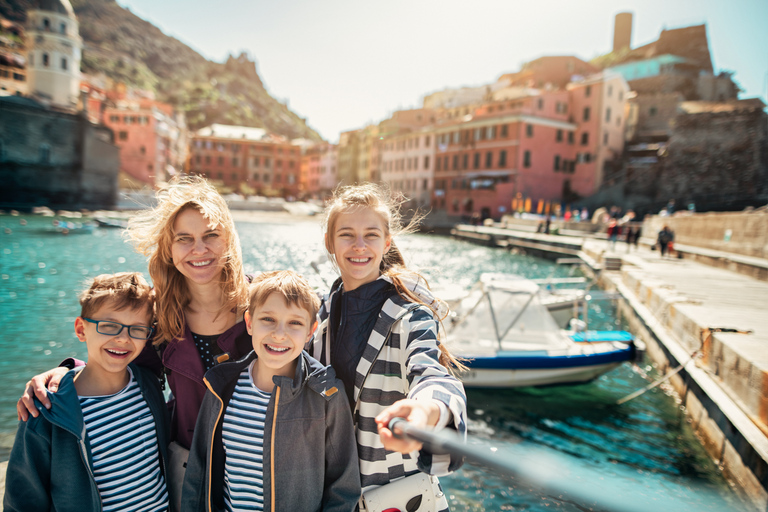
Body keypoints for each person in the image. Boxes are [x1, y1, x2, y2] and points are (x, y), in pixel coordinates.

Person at [16, 176, 253, 509]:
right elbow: (117, 360)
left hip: (257, 465)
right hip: (187, 470)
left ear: (228, 239)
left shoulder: (260, 303)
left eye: (210, 235)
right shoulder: (161, 315)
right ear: (169, 250)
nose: (199, 250)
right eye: (184, 239)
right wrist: (64, 375)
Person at [310, 183, 467, 511]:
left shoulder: (411, 315)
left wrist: (425, 411)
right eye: (346, 234)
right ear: (329, 242)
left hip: (397, 501)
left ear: (386, 242)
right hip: (338, 500)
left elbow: (433, 375)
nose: (359, 246)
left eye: (371, 234)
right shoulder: (322, 316)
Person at [182, 271, 360, 511]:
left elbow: (343, 488)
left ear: (310, 331)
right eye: (268, 319)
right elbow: (199, 470)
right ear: (249, 323)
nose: (279, 334)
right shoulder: (222, 385)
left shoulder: (326, 395)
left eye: (295, 323)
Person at [5, 273, 170, 512]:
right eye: (109, 326)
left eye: (137, 329)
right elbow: (23, 500)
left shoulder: (148, 385)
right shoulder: (47, 410)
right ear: (81, 329)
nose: (123, 339)